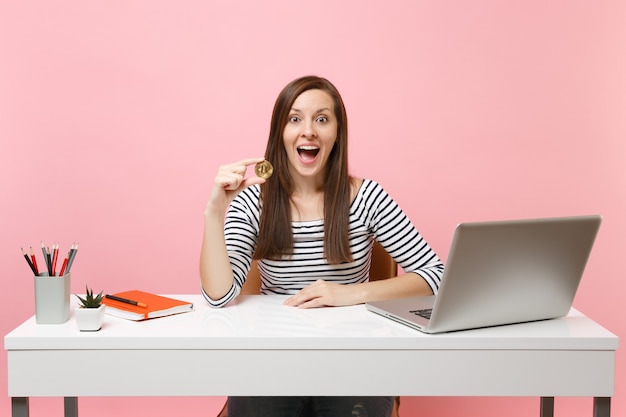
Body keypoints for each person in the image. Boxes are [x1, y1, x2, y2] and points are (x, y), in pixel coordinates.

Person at [200, 75, 444, 417]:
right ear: (280, 133)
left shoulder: (367, 197)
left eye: (322, 119)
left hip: (352, 361)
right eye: (295, 119)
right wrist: (215, 210)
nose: (308, 131)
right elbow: (219, 295)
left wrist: (348, 294)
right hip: (272, 361)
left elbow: (437, 276)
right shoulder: (253, 202)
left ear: (337, 134)